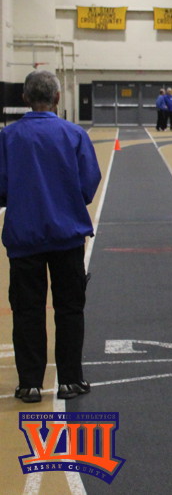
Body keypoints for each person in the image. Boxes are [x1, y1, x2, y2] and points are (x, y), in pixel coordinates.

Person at [1, 71, 101, 404]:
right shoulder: (74, 134)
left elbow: (1, 187)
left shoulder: (8, 137)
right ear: (57, 98)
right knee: (69, 309)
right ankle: (70, 380)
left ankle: (29, 384)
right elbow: (88, 183)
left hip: (24, 237)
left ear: (25, 99)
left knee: (27, 311)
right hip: (67, 235)